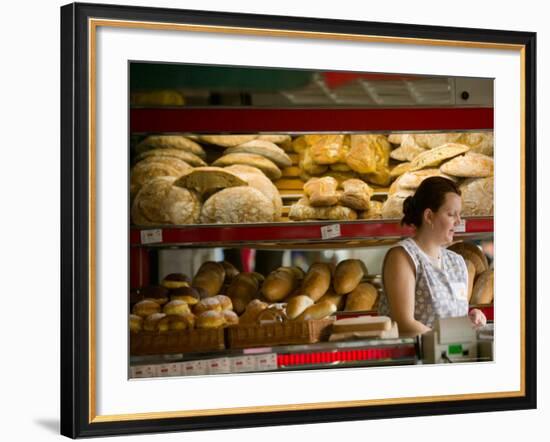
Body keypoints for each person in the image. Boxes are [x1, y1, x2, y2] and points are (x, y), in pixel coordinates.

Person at [378, 176, 487, 334]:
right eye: (451, 214)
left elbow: (450, 317)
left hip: (453, 355)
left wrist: (469, 319)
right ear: (429, 216)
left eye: (459, 215)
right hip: (416, 357)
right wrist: (447, 344)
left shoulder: (456, 262)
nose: (458, 221)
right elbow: (403, 323)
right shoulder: (403, 257)